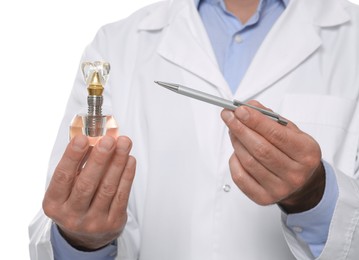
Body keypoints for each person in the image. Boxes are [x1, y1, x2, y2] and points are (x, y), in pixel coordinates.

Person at [29, 0, 359, 259]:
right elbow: (62, 219)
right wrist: (82, 241)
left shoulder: (351, 36)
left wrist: (315, 195)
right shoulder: (117, 45)